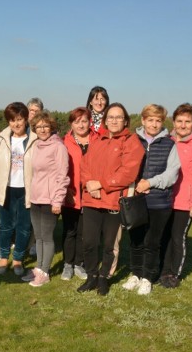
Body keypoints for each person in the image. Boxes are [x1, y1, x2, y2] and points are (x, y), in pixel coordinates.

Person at [77, 103, 144, 296]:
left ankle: (104, 277)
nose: (114, 120)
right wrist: (89, 183)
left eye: (118, 117)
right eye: (111, 117)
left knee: (109, 245)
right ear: (105, 120)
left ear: (125, 121)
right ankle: (91, 276)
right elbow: (84, 164)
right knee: (88, 242)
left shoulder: (131, 142)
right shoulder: (98, 139)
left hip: (114, 202)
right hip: (92, 200)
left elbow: (128, 173)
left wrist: (101, 184)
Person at [123, 104, 181, 295]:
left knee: (152, 242)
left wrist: (149, 182)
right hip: (136, 201)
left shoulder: (170, 144)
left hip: (160, 202)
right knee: (136, 241)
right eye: (151, 120)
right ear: (143, 120)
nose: (154, 124)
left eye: (158, 120)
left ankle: (147, 278)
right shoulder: (132, 140)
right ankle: (135, 274)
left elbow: (171, 174)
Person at [159, 103, 192, 288]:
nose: (183, 125)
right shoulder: (166, 140)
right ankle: (162, 270)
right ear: (173, 121)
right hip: (165, 199)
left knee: (177, 238)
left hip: (185, 201)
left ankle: (174, 273)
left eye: (187, 121)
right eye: (179, 121)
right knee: (164, 236)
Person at [25, 111, 69, 287]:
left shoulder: (58, 147)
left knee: (47, 237)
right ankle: (39, 268)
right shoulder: (36, 145)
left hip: (50, 199)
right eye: (38, 127)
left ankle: (45, 271)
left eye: (45, 126)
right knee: (39, 237)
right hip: (36, 197)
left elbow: (62, 175)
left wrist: (57, 200)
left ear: (51, 127)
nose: (42, 129)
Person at [0, 102, 36, 276]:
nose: (16, 124)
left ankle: (18, 258)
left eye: (19, 119)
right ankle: (3, 258)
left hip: (26, 189)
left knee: (24, 226)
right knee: (5, 225)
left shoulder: (34, 139)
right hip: (6, 189)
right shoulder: (2, 138)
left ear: (25, 119)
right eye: (12, 120)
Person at [60, 107, 97, 281]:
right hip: (70, 193)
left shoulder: (98, 140)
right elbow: (60, 169)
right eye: (77, 121)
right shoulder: (64, 142)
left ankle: (79, 263)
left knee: (84, 232)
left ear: (89, 121)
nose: (81, 125)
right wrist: (66, 190)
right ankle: (68, 263)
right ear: (71, 124)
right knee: (70, 231)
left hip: (91, 194)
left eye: (84, 121)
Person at [26, 97, 44, 257]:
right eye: (31, 110)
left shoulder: (42, 131)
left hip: (38, 178)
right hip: (22, 178)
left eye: (36, 111)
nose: (33, 114)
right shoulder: (20, 129)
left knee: (36, 217)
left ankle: (34, 244)